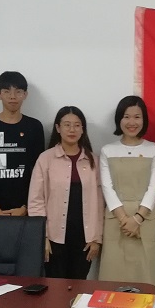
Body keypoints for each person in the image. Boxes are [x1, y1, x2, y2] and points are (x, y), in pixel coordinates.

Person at [28, 106, 103, 279]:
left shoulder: (93, 160)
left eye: (77, 125)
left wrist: (96, 238)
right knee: (55, 287)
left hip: (85, 239)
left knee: (79, 285)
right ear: (58, 128)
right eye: (67, 125)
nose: (72, 129)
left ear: (83, 129)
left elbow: (99, 202)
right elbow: (36, 200)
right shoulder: (45, 159)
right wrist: (42, 237)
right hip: (53, 237)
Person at [98, 95, 155, 288]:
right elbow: (107, 187)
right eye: (126, 117)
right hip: (116, 219)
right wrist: (124, 218)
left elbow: (154, 187)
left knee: (144, 280)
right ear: (119, 119)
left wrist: (137, 218)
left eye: (137, 117)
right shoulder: (107, 150)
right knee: (113, 280)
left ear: (144, 120)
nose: (132, 122)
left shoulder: (154, 149)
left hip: (145, 218)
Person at [0, 71, 45, 216]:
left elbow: (39, 170)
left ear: (25, 94)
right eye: (7, 91)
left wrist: (26, 206)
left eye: (18, 92)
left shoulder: (34, 126)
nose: (13, 97)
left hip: (24, 209)